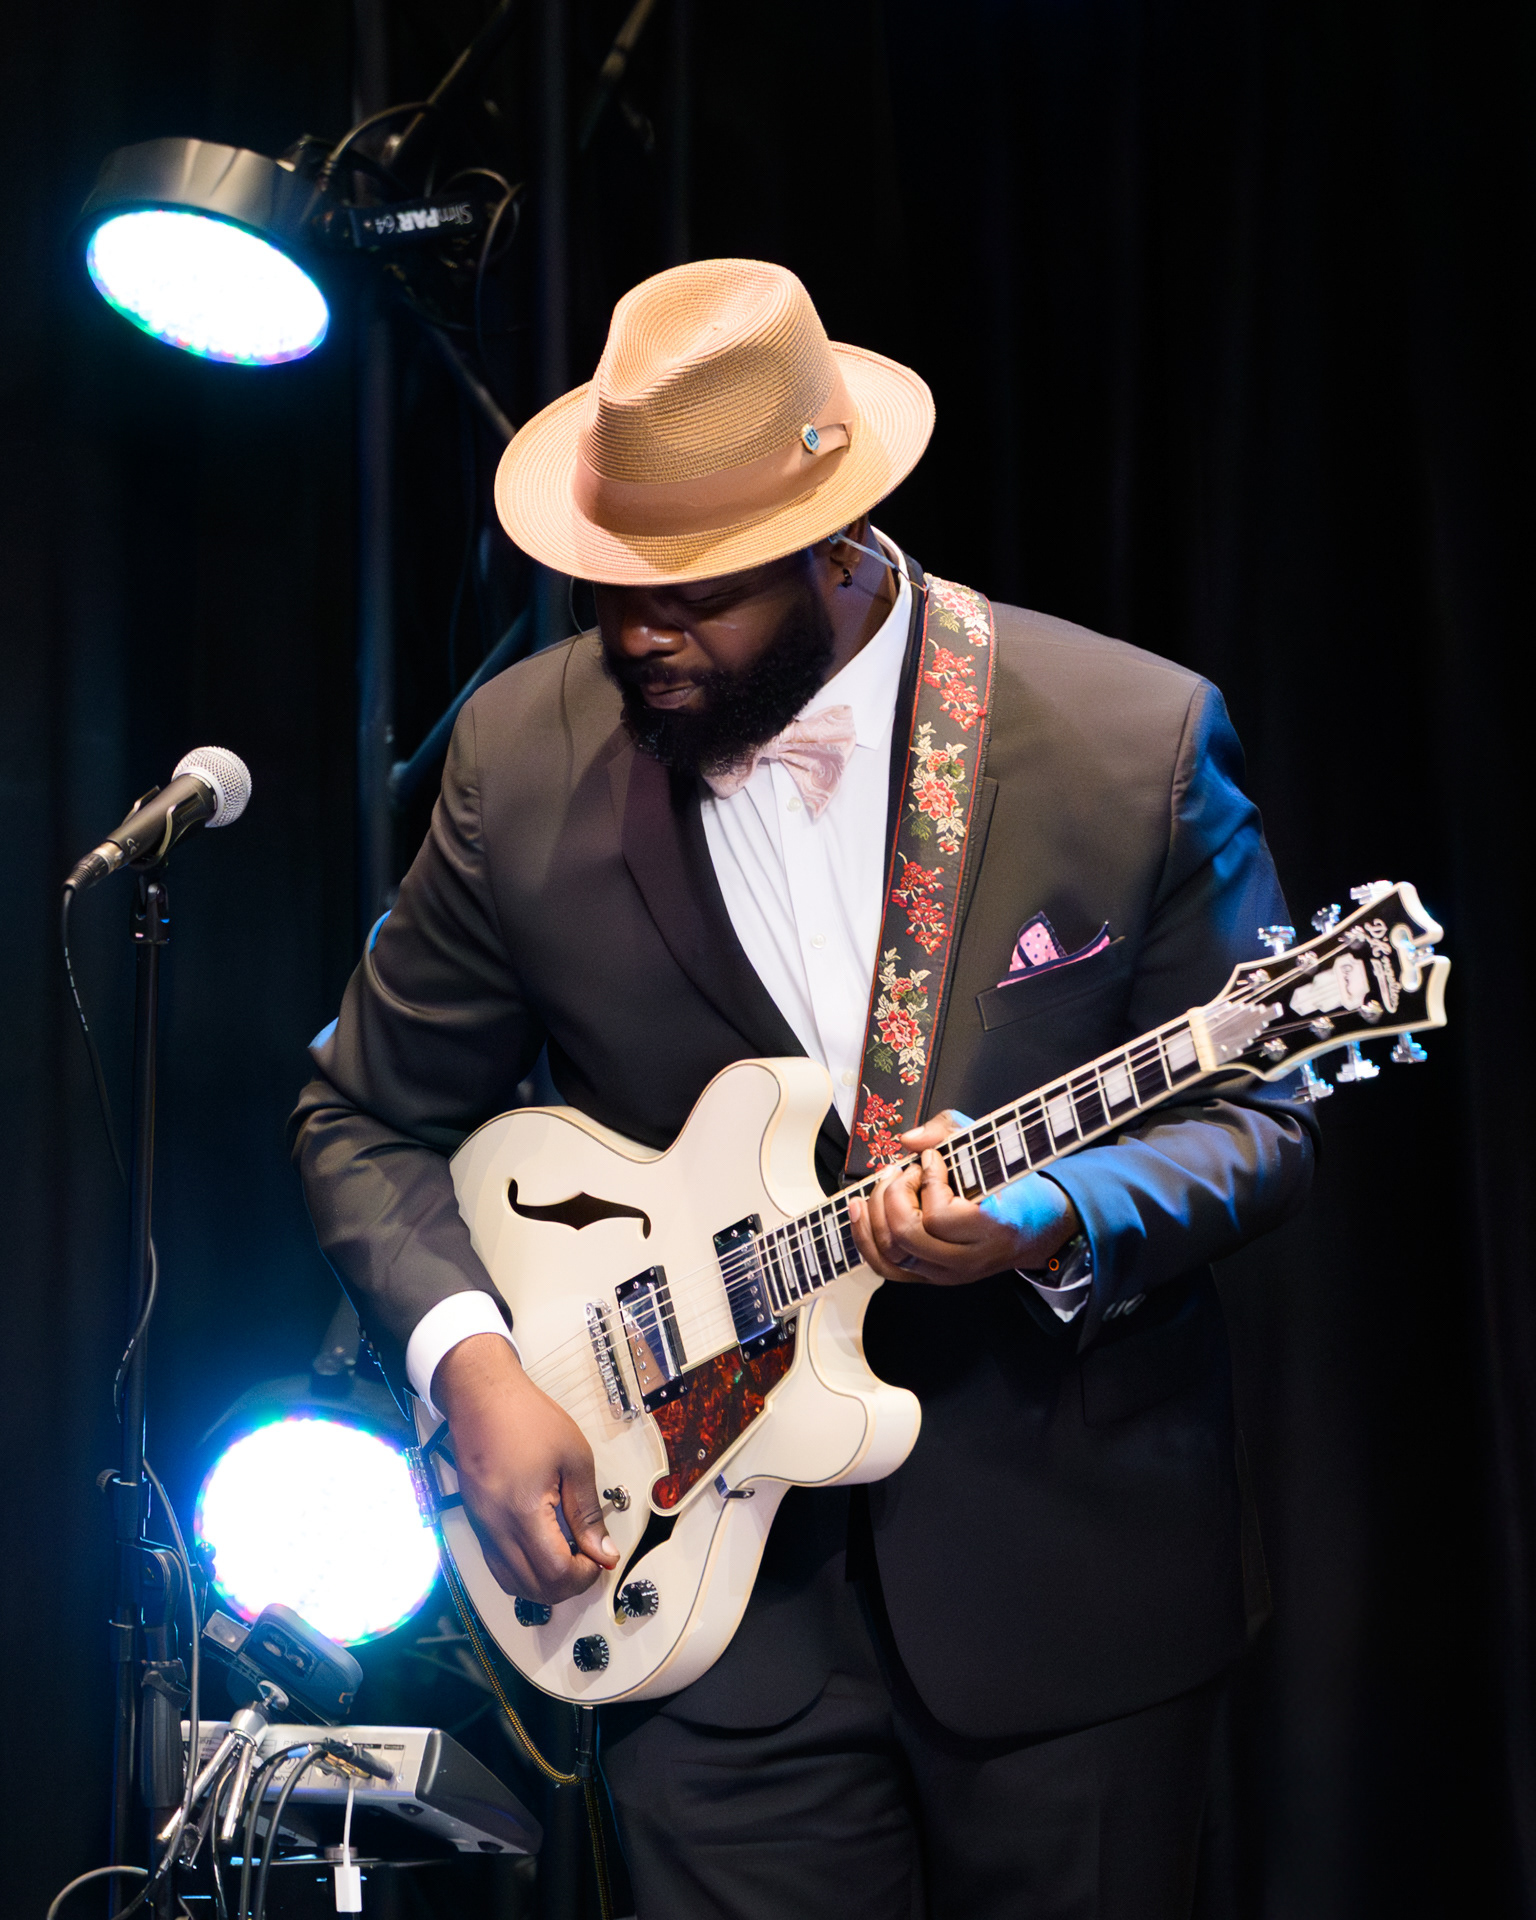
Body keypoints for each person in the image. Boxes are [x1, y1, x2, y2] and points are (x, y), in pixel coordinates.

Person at [292, 258, 1317, 1919]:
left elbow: (1264, 1116)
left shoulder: (1127, 739)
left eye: (696, 594)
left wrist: (1050, 1216)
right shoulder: (521, 755)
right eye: (610, 586)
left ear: (835, 544)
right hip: (695, 1619)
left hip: (1067, 1596)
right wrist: (469, 1364)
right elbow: (362, 1115)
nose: (639, 634)